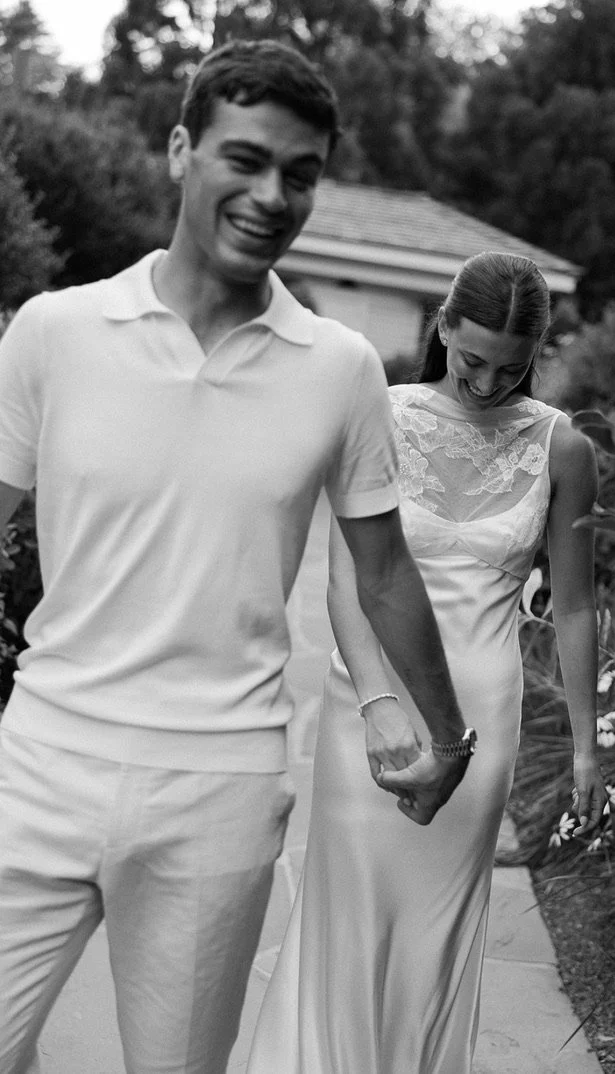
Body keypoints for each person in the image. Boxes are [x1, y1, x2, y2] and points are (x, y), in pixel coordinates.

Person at [0, 40, 474, 1074]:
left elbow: (384, 573)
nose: (271, 195)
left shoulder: (339, 370)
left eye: (297, 175)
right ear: (180, 149)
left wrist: (449, 736)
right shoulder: (54, 333)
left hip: (219, 790)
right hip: (38, 761)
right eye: (245, 159)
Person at [248, 251, 609, 1074]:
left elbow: (577, 605)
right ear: (442, 327)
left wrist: (587, 748)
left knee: (436, 927)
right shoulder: (378, 411)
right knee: (349, 909)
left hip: (483, 713)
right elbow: (349, 578)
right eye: (472, 359)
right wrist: (374, 701)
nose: (485, 384)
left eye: (509, 368)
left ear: (535, 356)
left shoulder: (562, 448)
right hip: (365, 703)